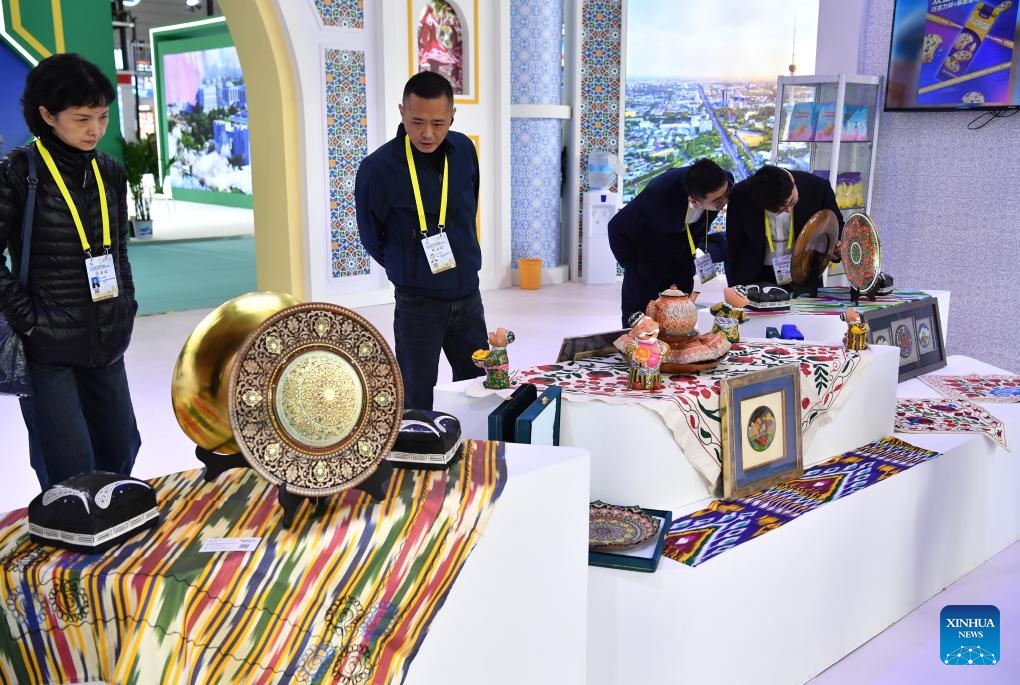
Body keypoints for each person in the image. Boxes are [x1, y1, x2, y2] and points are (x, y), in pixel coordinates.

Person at [0, 53, 141, 490]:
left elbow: (118, 251)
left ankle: (112, 536)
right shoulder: (19, 173)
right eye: (81, 118)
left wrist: (126, 305)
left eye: (101, 116)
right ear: (47, 115)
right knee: (70, 466)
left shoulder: (109, 171)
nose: (95, 129)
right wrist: (31, 321)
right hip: (47, 346)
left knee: (122, 447)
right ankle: (68, 545)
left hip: (106, 336)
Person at [356, 71, 487, 410]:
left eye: (439, 123)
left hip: (467, 296)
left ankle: (474, 453)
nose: (428, 133)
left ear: (452, 116)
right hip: (418, 303)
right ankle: (420, 459)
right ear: (402, 112)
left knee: (478, 385)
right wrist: (409, 265)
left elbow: (469, 206)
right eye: (417, 122)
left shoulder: (464, 151)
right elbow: (372, 236)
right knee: (417, 393)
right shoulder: (378, 168)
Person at [608, 158, 732, 328]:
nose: (725, 201)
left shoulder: (722, 182)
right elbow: (616, 227)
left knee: (679, 324)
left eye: (727, 194)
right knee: (641, 329)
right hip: (648, 265)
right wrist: (633, 265)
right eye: (718, 202)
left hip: (681, 263)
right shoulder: (659, 196)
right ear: (694, 200)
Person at [725, 164, 843, 287]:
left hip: (804, 270)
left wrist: (836, 247)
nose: (788, 210)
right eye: (778, 211)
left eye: (791, 202)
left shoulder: (817, 187)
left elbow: (836, 223)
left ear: (792, 180)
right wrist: (734, 284)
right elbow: (734, 242)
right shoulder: (740, 194)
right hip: (757, 275)